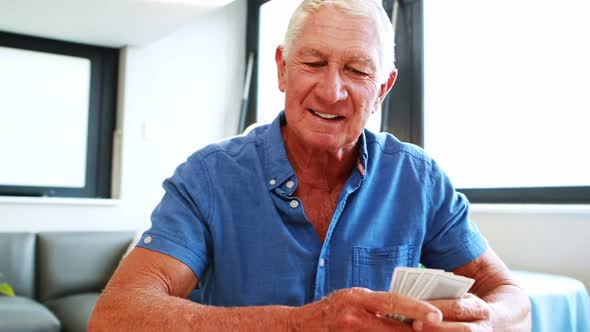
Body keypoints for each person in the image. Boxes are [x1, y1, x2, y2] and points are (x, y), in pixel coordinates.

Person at [89, 0, 531, 330]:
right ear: (283, 68)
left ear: (383, 88)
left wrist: (485, 320)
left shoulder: (418, 179)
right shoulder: (208, 178)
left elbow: (510, 294)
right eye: (314, 63)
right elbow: (115, 316)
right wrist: (304, 323)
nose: (331, 91)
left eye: (357, 71)